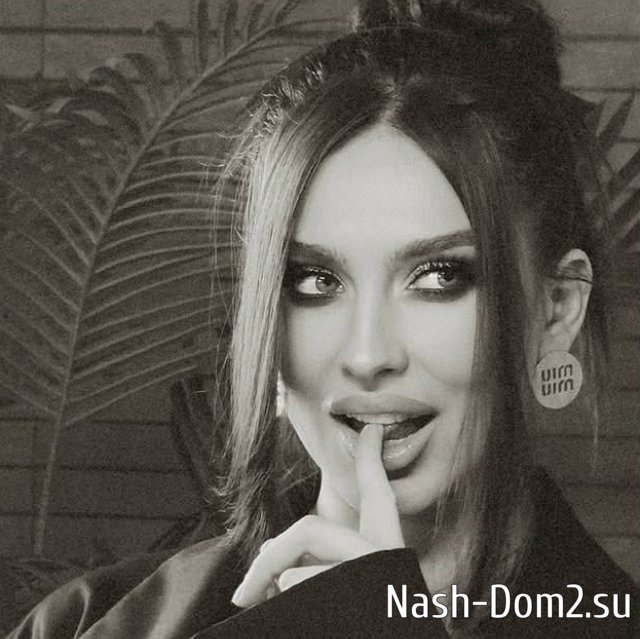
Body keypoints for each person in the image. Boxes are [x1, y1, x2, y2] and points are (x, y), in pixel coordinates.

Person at [8, 0, 637, 637]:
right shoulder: (83, 623)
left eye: (440, 277)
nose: (367, 355)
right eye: (315, 280)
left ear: (557, 308)